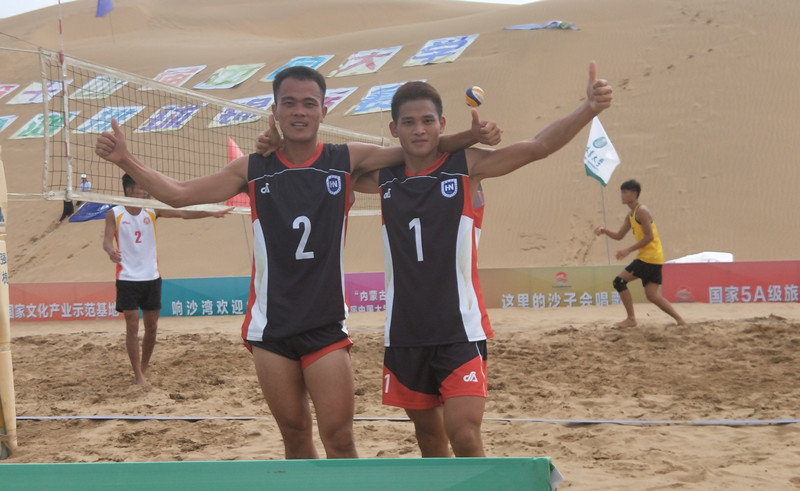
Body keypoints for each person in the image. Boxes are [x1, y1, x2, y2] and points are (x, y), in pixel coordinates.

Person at [95, 65, 500, 459]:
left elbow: (418, 147)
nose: (299, 111)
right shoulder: (253, 167)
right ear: (275, 110)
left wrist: (470, 136)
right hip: (271, 327)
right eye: (289, 103)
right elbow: (180, 194)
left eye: (309, 103)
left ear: (324, 110)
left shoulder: (345, 159)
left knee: (339, 439)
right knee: (294, 437)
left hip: (325, 326)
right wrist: (126, 160)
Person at [351, 61, 613, 458]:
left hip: (460, 328)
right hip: (405, 332)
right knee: (429, 440)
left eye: (428, 121)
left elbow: (538, 147)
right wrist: (456, 138)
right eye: (408, 123)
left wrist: (588, 109)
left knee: (464, 433)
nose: (419, 130)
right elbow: (343, 169)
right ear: (393, 129)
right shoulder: (384, 178)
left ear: (441, 123)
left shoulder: (466, 166)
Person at [103, 173, 230, 386]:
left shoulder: (152, 209)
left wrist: (209, 211)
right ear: (129, 190)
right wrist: (111, 251)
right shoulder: (114, 213)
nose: (145, 191)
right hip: (126, 277)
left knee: (152, 327)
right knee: (132, 325)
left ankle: (144, 368)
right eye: (141, 187)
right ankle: (138, 375)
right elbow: (107, 241)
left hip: (151, 277)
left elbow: (183, 213)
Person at [594, 179, 686, 327]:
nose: (622, 196)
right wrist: (605, 231)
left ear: (634, 194)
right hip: (653, 258)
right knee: (652, 295)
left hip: (649, 257)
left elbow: (650, 237)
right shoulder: (631, 215)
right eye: (621, 192)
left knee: (619, 281)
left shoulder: (642, 211)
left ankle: (631, 319)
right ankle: (680, 320)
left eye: (625, 192)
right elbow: (619, 235)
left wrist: (628, 250)